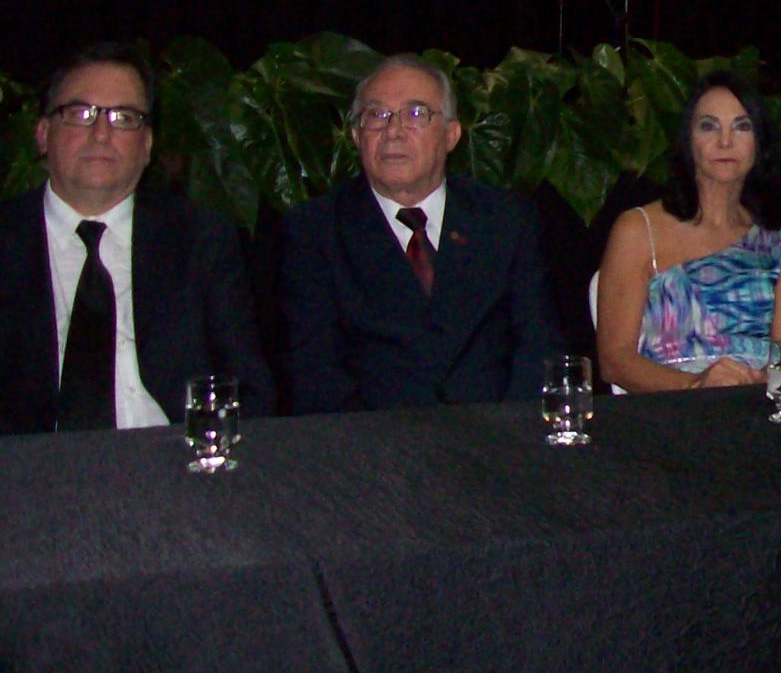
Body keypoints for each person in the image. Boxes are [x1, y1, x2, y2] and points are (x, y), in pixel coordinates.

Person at [0, 43, 273, 433]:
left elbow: (249, 390)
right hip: (29, 463)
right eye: (81, 113)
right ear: (43, 134)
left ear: (146, 146)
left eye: (123, 118)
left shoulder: (199, 240)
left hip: (171, 456)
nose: (101, 134)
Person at [280, 54, 562, 412]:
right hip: (371, 438)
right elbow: (316, 372)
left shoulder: (505, 219)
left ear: (451, 135)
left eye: (415, 114)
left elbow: (538, 346)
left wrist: (509, 435)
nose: (393, 131)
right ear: (356, 135)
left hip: (497, 433)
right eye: (377, 115)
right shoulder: (316, 230)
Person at [596, 71, 781, 390]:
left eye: (742, 127)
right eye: (709, 126)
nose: (725, 142)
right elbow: (614, 362)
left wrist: (760, 383)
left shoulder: (779, 244)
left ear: (759, 143)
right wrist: (697, 386)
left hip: (757, 403)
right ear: (688, 141)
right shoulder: (638, 231)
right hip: (674, 405)